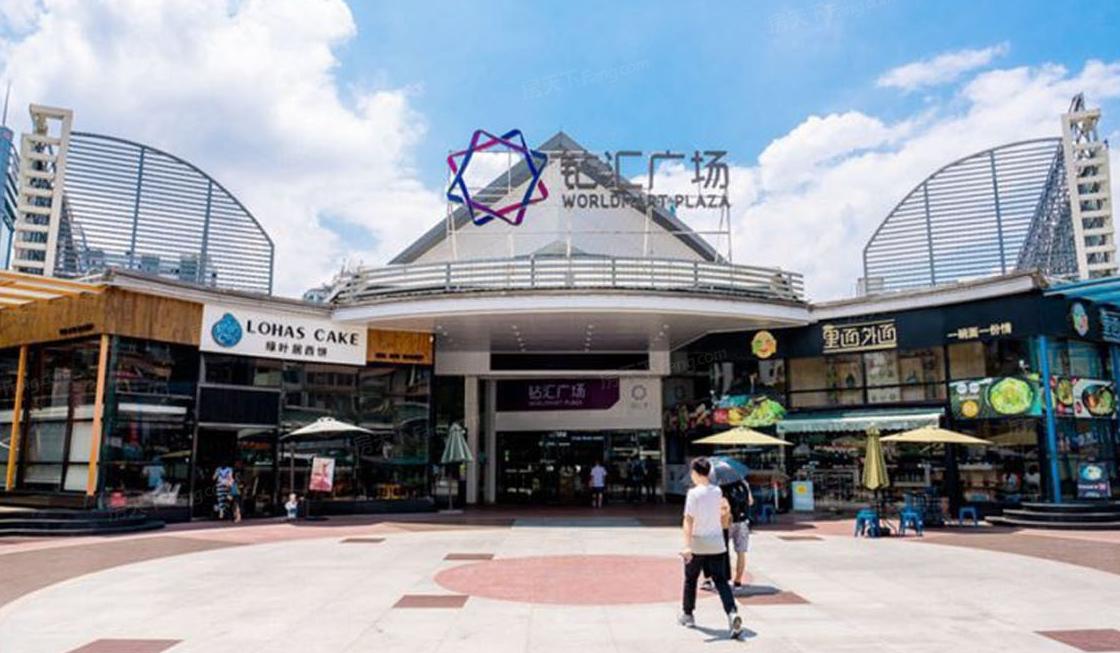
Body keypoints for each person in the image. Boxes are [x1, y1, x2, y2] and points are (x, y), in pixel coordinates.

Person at [679, 457, 743, 639]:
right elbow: (723, 516)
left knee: (691, 579)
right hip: (717, 543)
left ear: (696, 473)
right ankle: (732, 613)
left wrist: (687, 545)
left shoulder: (693, 494)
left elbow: (688, 520)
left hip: (698, 542)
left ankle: (688, 615)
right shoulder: (718, 491)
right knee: (721, 581)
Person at [724, 478, 754, 589]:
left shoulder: (722, 484)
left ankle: (724, 578)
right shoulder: (744, 483)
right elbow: (750, 501)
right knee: (741, 552)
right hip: (743, 521)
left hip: (727, 521)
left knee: (723, 551)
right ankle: (738, 580)